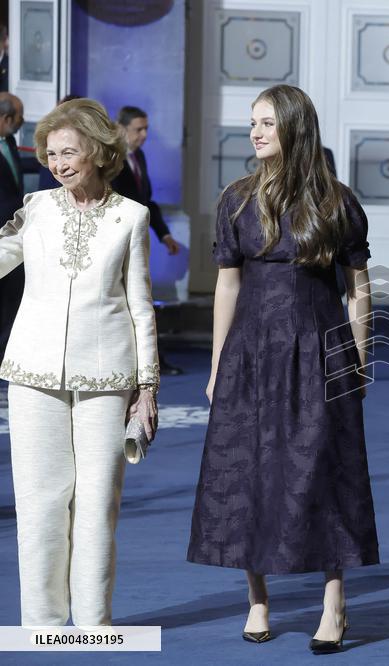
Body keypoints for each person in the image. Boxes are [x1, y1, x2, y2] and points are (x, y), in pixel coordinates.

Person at [187, 84, 378, 655]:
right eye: (253, 122)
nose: (255, 132)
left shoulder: (337, 201)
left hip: (320, 350)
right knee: (248, 472)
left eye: (267, 122)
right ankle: (258, 599)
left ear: (295, 126)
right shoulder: (236, 200)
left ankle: (334, 603)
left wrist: (360, 360)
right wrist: (217, 363)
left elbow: (359, 288)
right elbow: (227, 285)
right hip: (250, 353)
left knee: (326, 473)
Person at [0, 98, 158, 626]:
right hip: (33, 372)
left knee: (96, 504)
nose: (58, 163)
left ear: (97, 151)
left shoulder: (131, 216)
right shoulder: (36, 207)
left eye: (68, 152)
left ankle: (92, 623)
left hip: (107, 376)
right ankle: (42, 625)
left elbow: (140, 305)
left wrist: (147, 386)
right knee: (39, 503)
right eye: (50, 154)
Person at [111, 106, 185, 375]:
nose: (143, 135)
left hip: (139, 241)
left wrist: (164, 234)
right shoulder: (111, 158)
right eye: (138, 129)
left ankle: (151, 361)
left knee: (142, 300)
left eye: (145, 129)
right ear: (121, 128)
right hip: (118, 242)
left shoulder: (138, 156)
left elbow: (147, 202)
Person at [0, 92, 24, 362]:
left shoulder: (10, 141)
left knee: (11, 304)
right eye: (20, 116)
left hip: (14, 235)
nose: (22, 121)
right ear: (6, 118)